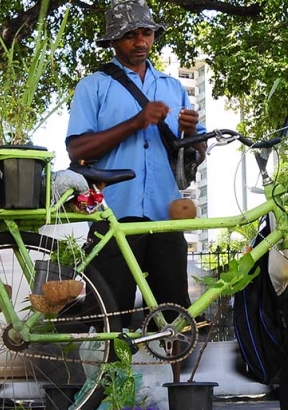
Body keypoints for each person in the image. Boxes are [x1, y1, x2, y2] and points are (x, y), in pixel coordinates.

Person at [65, 0, 206, 329]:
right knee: (111, 317)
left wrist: (189, 133)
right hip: (114, 213)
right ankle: (112, 379)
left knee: (175, 316)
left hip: (164, 216)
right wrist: (136, 122)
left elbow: (196, 153)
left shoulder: (172, 88)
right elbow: (77, 150)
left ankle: (178, 380)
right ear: (113, 41)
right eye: (130, 35)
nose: (140, 41)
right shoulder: (93, 86)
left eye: (146, 33)